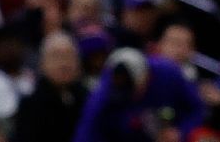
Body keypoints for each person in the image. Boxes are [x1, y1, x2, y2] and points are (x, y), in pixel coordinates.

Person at [74, 48, 205, 142]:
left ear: (146, 76)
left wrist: (180, 131)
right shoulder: (106, 90)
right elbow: (87, 129)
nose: (131, 96)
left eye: (133, 89)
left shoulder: (169, 74)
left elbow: (198, 109)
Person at [13, 32, 86, 142]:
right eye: (56, 56)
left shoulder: (87, 99)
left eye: (69, 56)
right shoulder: (31, 106)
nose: (64, 63)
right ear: (42, 63)